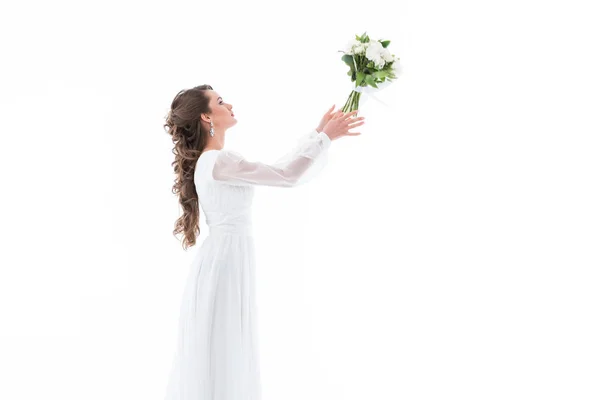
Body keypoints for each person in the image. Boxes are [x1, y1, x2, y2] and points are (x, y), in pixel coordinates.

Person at [162, 84, 365, 400]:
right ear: (206, 116)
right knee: (226, 344)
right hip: (227, 261)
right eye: (219, 101)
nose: (228, 104)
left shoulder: (213, 161)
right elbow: (285, 175)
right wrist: (326, 138)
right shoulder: (219, 160)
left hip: (224, 258)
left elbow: (278, 170)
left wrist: (318, 133)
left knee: (224, 345)